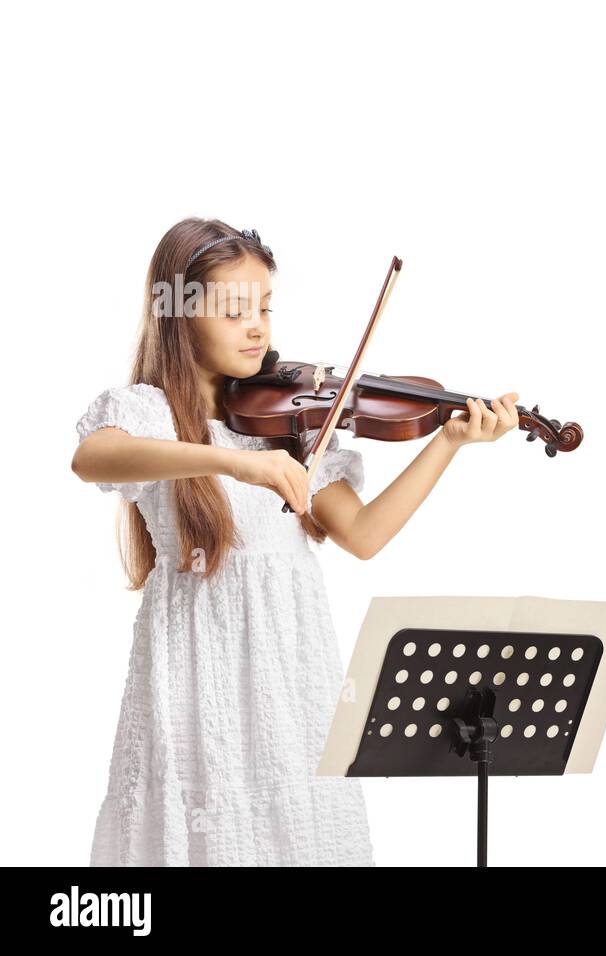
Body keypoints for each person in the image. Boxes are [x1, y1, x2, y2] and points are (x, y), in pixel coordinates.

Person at [71, 218, 520, 865]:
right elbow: (94, 457)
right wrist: (231, 461)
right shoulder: (148, 411)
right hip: (199, 667)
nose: (257, 327)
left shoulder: (286, 419)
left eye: (264, 308)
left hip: (292, 667)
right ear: (179, 315)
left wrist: (447, 442)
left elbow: (363, 535)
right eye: (234, 310)